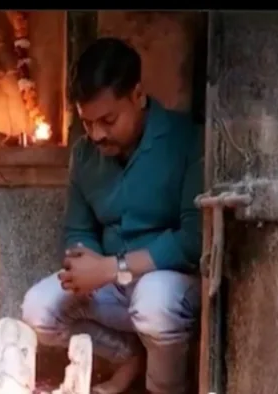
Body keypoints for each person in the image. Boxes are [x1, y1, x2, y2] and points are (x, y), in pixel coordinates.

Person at [21, 38, 203, 394]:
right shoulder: (84, 155)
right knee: (38, 309)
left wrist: (113, 267)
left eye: (108, 120)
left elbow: (193, 240)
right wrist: (84, 265)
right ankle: (129, 358)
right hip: (110, 283)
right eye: (87, 123)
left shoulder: (186, 140)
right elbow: (78, 230)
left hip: (169, 283)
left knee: (154, 303)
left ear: (138, 96)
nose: (97, 134)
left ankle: (163, 387)